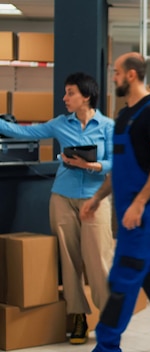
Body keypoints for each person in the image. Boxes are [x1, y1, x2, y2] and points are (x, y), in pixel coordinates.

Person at [80, 52, 150, 352]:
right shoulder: (124, 116)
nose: (112, 77)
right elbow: (119, 169)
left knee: (122, 279)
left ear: (130, 75)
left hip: (142, 215)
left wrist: (138, 203)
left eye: (116, 72)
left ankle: (107, 346)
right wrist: (97, 198)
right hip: (128, 213)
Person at [0, 72, 115, 345]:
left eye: (70, 93)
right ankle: (78, 316)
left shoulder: (108, 126)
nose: (65, 98)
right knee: (69, 259)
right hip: (62, 198)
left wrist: (89, 165)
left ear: (86, 96)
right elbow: (24, 132)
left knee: (99, 260)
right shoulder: (60, 124)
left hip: (95, 200)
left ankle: (110, 318)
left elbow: (115, 163)